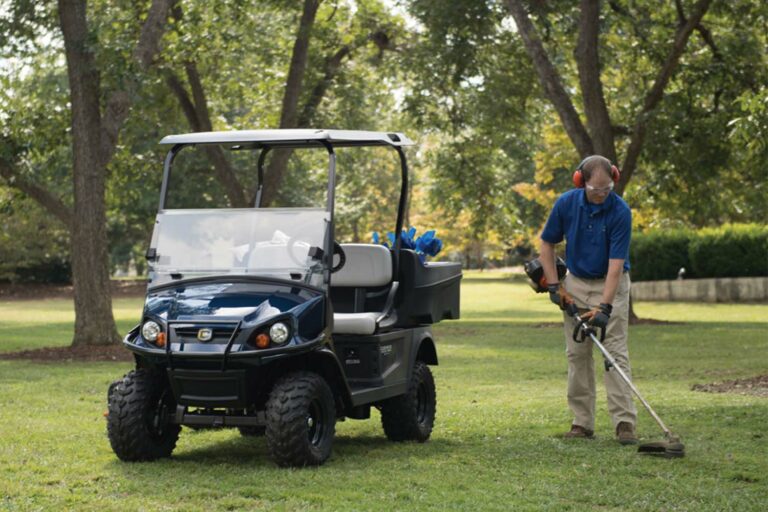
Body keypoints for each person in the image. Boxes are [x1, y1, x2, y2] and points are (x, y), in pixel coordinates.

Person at [538, 155, 638, 445]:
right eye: (595, 190)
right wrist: (555, 286)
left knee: (614, 353)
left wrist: (605, 306)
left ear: (614, 181)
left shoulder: (620, 211)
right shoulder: (567, 204)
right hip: (576, 282)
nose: (600, 195)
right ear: (581, 182)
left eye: (606, 189)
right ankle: (582, 422)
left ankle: (624, 423)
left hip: (612, 283)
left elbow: (616, 265)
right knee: (577, 353)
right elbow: (547, 244)